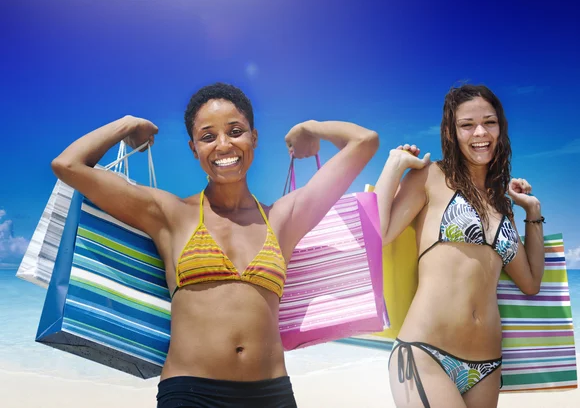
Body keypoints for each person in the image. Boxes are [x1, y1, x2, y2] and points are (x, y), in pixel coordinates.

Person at [51, 82, 380, 407]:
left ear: (254, 137)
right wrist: (128, 125)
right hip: (191, 392)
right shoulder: (171, 215)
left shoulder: (283, 219)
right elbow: (68, 165)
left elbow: (364, 142)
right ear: (194, 149)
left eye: (236, 131)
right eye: (208, 136)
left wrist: (311, 128)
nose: (224, 145)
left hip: (272, 394)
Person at [374, 84, 545, 408]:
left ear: (500, 128)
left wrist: (532, 211)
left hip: (488, 365)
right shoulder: (430, 177)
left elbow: (531, 283)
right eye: (467, 124)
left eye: (489, 122)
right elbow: (379, 235)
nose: (480, 132)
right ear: (452, 133)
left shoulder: (501, 204)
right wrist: (394, 167)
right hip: (426, 354)